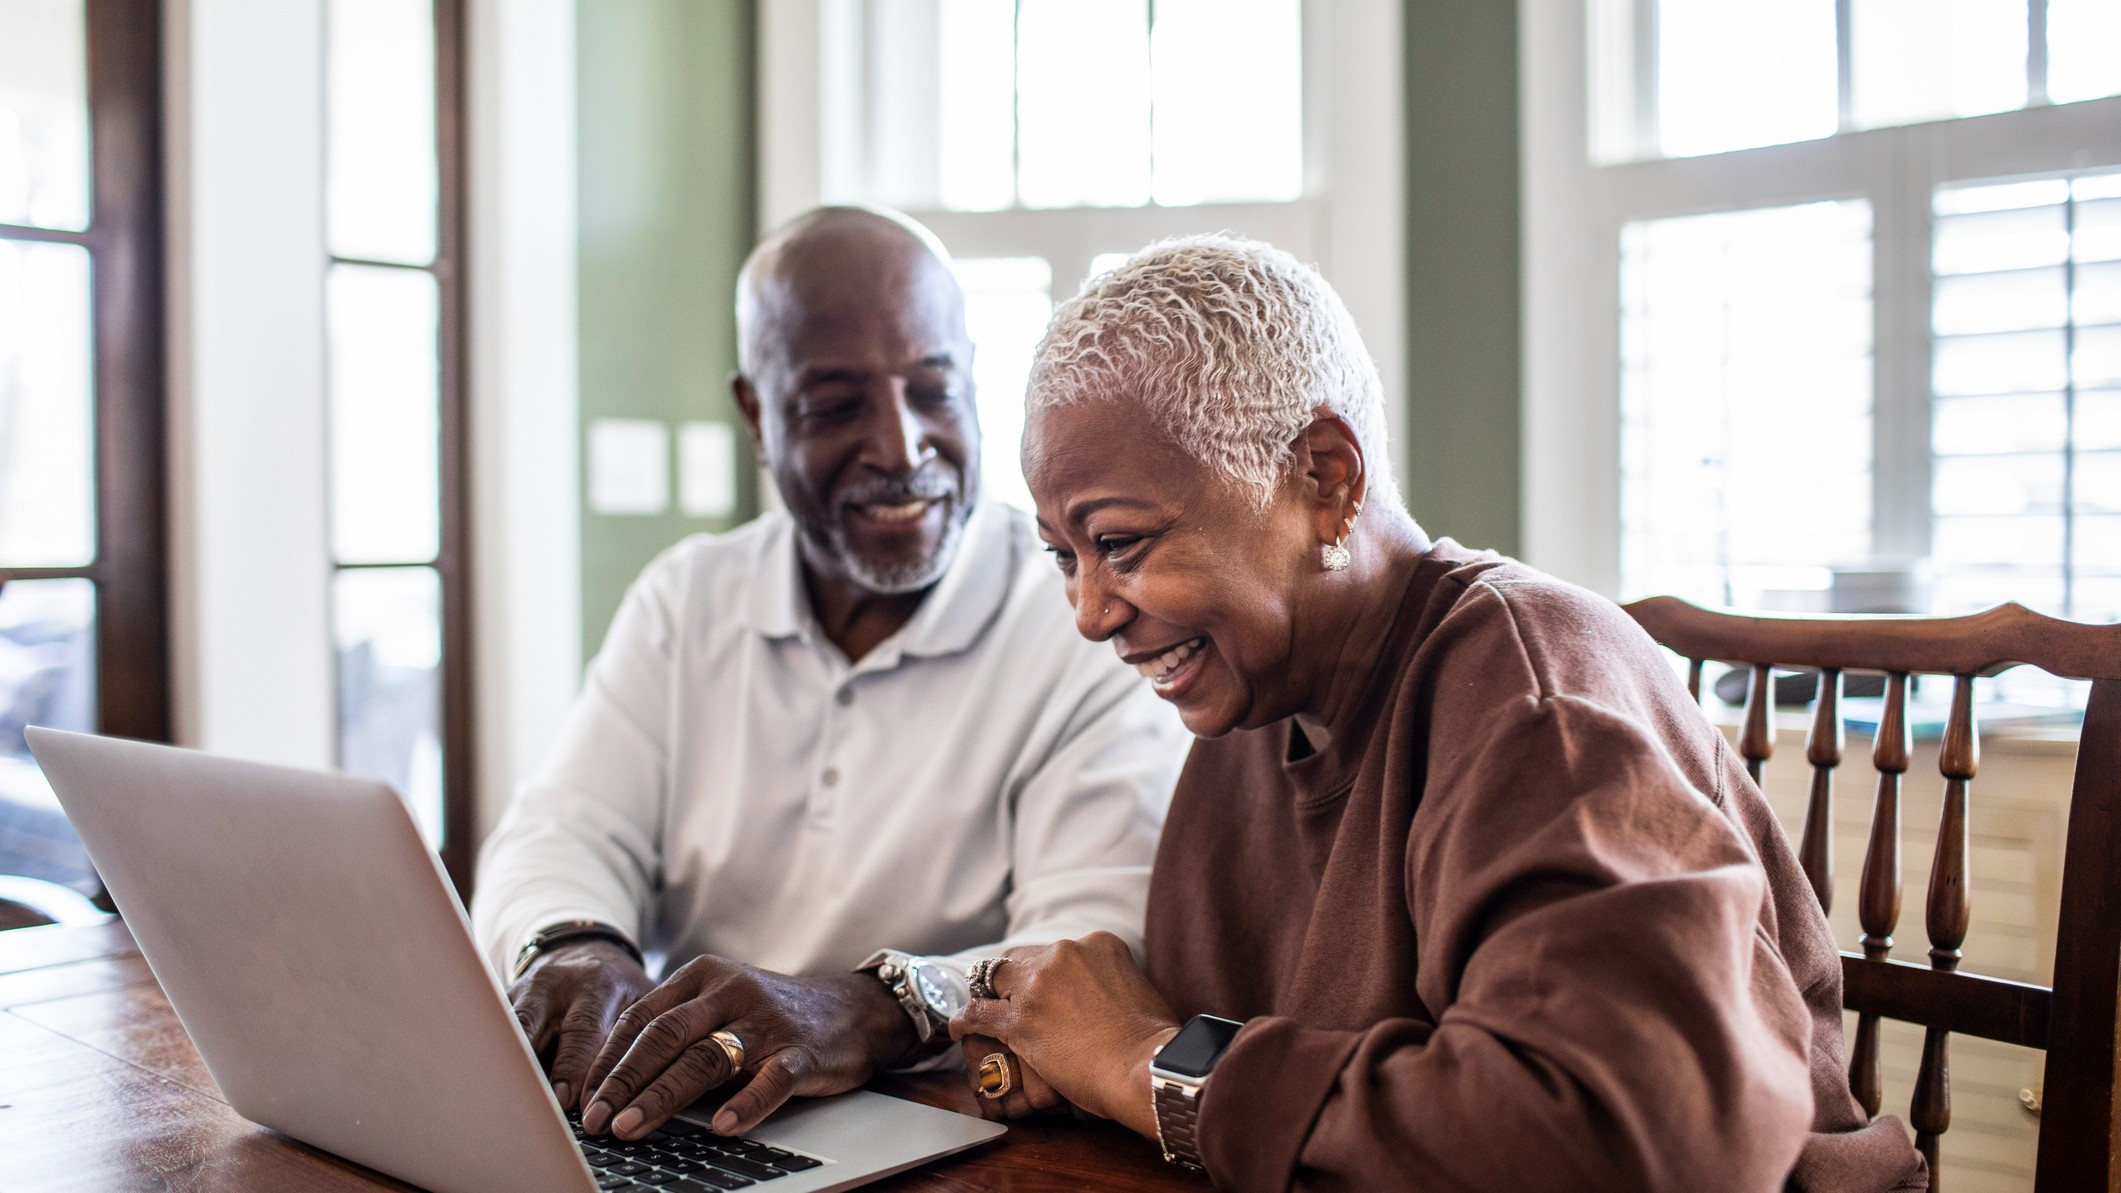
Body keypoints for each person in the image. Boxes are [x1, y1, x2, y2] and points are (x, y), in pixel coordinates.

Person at [949, 235, 1928, 1192]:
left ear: (1325, 478)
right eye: (1061, 554)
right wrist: (1097, 1065)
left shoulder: (1533, 690)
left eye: (1120, 541)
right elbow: (1239, 1059)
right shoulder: (1253, 705)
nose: (1089, 612)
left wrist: (1149, 1064)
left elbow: (1635, 1139)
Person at [472, 207, 1186, 1144]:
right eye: (836, 406)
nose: (899, 448)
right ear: (756, 416)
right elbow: (561, 831)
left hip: (949, 1129)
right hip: (680, 1121)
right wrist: (575, 942)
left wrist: (878, 1005)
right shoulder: (688, 600)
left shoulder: (1083, 617)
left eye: (933, 390)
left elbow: (1093, 949)